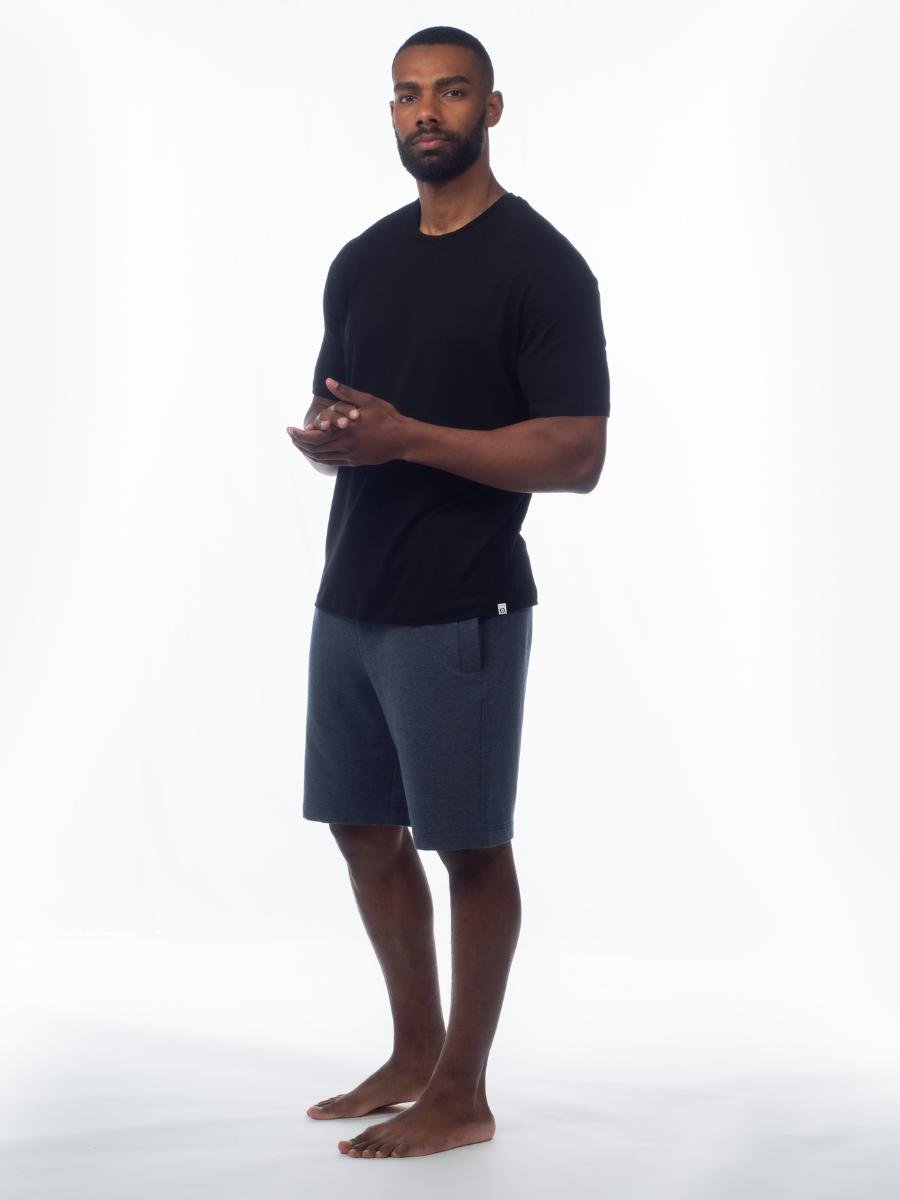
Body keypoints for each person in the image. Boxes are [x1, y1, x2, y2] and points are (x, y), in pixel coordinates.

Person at [286, 25, 610, 1159]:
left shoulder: (542, 266)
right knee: (362, 828)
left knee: (468, 847)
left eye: (452, 91)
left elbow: (577, 454)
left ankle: (464, 1094)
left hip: (463, 601)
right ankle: (415, 1050)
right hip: (352, 591)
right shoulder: (362, 261)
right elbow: (346, 404)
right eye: (407, 95)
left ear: (492, 108)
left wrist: (408, 437)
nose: (426, 111)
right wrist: (333, 434)